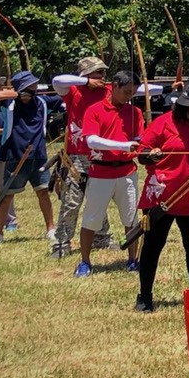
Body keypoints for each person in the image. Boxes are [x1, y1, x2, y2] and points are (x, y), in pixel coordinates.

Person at [134, 81, 189, 313]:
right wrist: (152, 155)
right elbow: (142, 154)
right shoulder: (164, 123)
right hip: (162, 196)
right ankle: (145, 295)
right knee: (152, 247)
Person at [77, 71, 144, 276]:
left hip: (127, 171)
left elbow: (139, 139)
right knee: (92, 219)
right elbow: (91, 140)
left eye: (133, 93)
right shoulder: (95, 110)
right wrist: (124, 146)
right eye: (126, 92)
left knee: (131, 219)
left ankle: (133, 259)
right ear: (113, 86)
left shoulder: (135, 112)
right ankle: (85, 262)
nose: (129, 96)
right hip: (101, 172)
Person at [50, 57, 116, 257]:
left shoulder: (109, 90)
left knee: (98, 198)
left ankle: (101, 237)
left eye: (104, 73)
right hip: (77, 156)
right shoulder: (72, 90)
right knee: (71, 200)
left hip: (100, 154)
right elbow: (57, 81)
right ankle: (61, 243)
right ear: (85, 74)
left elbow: (141, 89)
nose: (102, 77)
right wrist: (87, 82)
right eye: (98, 73)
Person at [0, 71, 56, 245]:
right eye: (27, 87)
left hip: (38, 156)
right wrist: (17, 93)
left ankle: (51, 229)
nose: (31, 90)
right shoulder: (10, 103)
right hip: (15, 156)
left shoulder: (42, 101)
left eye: (33, 86)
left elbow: (64, 97)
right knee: (7, 196)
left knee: (43, 192)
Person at [0, 73, 19, 235]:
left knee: (5, 186)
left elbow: (15, 94)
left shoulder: (6, 102)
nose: (1, 89)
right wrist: (6, 131)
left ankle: (11, 220)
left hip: (0, 152)